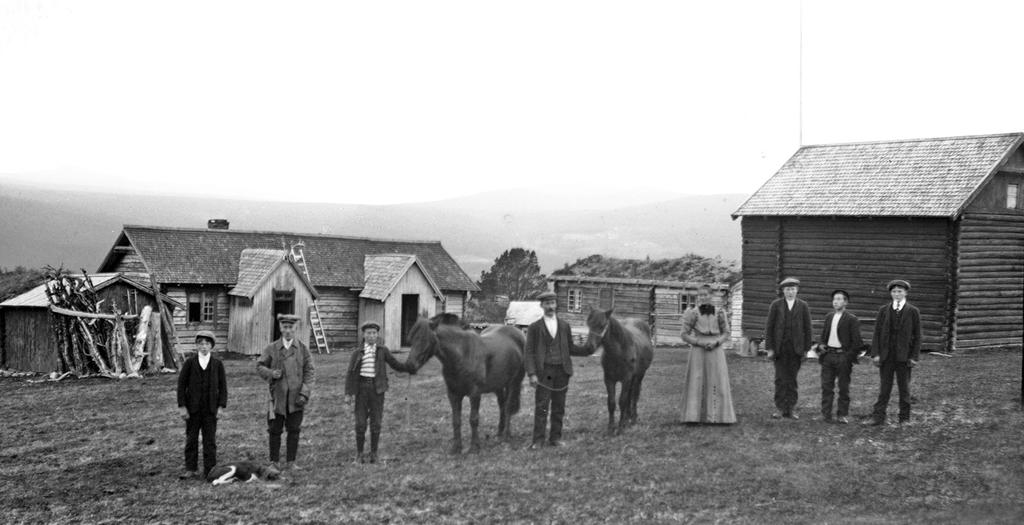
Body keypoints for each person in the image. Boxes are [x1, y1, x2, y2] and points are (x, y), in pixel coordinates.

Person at [525, 290, 594, 449]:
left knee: (559, 407)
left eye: (553, 303)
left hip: (562, 371)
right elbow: (529, 352)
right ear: (542, 306)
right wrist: (532, 374)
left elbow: (570, 348)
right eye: (547, 303)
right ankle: (538, 441)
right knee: (542, 406)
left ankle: (555, 439)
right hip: (544, 372)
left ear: (556, 304)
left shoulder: (564, 326)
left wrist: (587, 350)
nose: (550, 306)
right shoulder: (535, 327)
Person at [345, 321, 414, 464]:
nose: (371, 336)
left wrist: (408, 367)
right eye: (368, 333)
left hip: (378, 391)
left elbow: (395, 363)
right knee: (360, 423)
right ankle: (359, 454)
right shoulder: (357, 353)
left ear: (377, 335)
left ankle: (374, 453)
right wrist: (348, 394)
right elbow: (350, 374)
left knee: (376, 422)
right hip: (361, 390)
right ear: (363, 335)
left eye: (374, 333)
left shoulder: (383, 350)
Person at [256, 313, 315, 471]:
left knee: (294, 429)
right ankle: (274, 462)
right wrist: (271, 373)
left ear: (296, 329)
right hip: (277, 398)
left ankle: (291, 462)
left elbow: (310, 372)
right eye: (285, 327)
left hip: (296, 399)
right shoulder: (272, 348)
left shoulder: (302, 349)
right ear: (280, 328)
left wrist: (304, 393)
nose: (288, 330)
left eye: (291, 327)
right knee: (275, 430)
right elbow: (260, 366)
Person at [864, 280, 921, 427]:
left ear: (906, 293)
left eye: (900, 291)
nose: (897, 294)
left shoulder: (912, 311)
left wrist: (914, 357)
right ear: (891, 293)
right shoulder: (884, 310)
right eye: (894, 291)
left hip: (904, 357)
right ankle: (878, 417)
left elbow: (918, 336)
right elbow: (877, 333)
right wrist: (875, 353)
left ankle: (904, 418)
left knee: (904, 389)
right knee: (884, 388)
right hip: (886, 356)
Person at [678, 285, 736, 424]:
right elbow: (684, 334)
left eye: (706, 295)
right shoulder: (693, 313)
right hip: (698, 350)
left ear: (711, 296)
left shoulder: (720, 312)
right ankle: (693, 417)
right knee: (696, 380)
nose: (703, 297)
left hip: (716, 350)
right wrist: (698, 342)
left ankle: (719, 417)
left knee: (717, 379)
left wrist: (717, 342)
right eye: (700, 295)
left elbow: (726, 333)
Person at [177, 330, 227, 480]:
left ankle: (210, 469)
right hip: (193, 409)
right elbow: (181, 385)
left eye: (207, 344)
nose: (204, 346)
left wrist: (220, 407)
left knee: (209, 440)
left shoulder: (217, 364)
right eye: (201, 344)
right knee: (191, 439)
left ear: (211, 346)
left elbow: (223, 387)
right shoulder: (190, 363)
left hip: (210, 409)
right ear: (196, 345)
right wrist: (182, 407)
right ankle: (191, 468)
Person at [764, 277, 812, 419]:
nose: (790, 292)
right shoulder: (776, 305)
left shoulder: (803, 306)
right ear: (783, 291)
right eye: (787, 289)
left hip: (796, 349)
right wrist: (770, 348)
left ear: (797, 290)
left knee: (792, 379)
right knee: (780, 378)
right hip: (780, 349)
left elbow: (808, 328)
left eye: (792, 289)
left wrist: (806, 349)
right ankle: (780, 408)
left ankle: (790, 408)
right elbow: (769, 327)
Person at [815, 290, 864, 424]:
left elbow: (857, 342)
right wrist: (821, 345)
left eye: (839, 299)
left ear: (845, 302)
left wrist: (848, 356)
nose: (836, 302)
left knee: (843, 387)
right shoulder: (829, 317)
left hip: (843, 357)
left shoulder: (851, 319)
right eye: (834, 299)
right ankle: (825, 414)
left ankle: (842, 414)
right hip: (828, 356)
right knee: (826, 386)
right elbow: (823, 335)